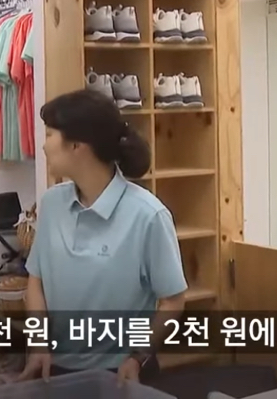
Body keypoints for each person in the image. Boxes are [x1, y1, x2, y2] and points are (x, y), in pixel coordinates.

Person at [19, 89, 187, 385]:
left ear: (77, 146)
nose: (43, 146)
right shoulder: (52, 203)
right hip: (56, 371)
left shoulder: (148, 216)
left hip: (122, 374)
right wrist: (38, 343)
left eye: (49, 135)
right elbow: (36, 280)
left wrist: (137, 356)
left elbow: (172, 302)